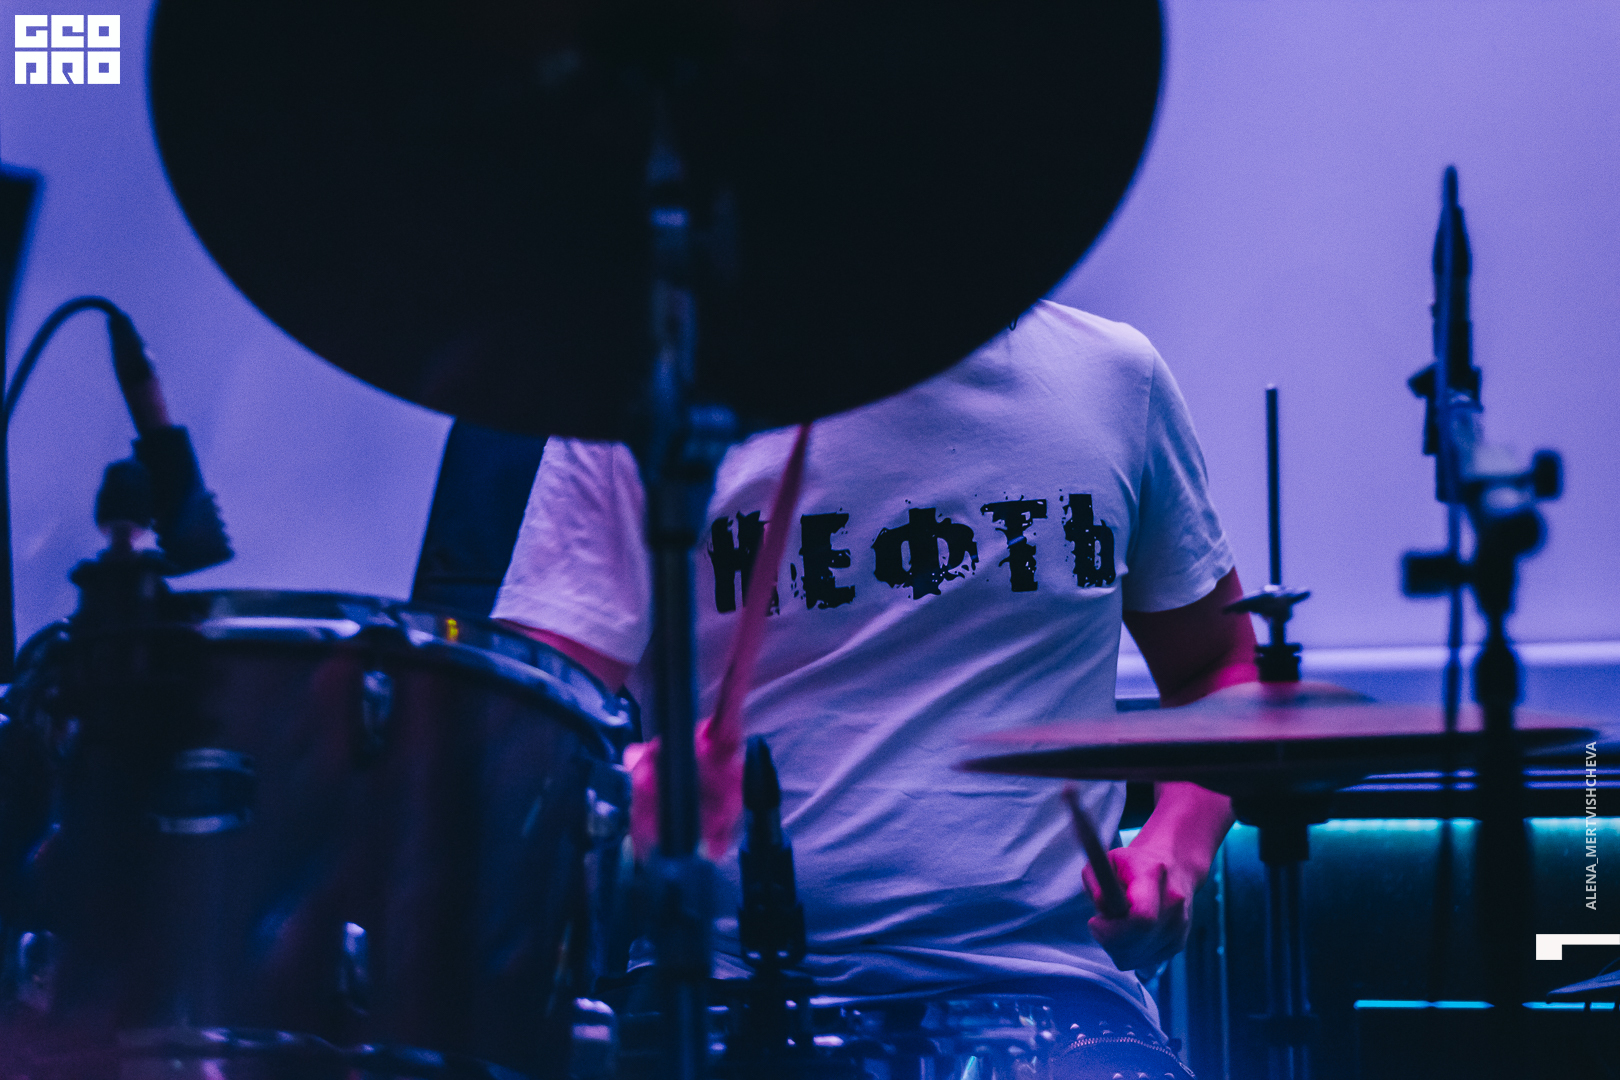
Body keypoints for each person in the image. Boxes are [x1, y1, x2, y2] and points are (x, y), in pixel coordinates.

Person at [493, 298, 1258, 1071]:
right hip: (726, 990)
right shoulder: (646, 403)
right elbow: (520, 733)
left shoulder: (1113, 377)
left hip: (1053, 988)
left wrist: (1176, 848)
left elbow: (1217, 670)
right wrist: (618, 800)